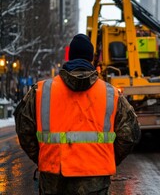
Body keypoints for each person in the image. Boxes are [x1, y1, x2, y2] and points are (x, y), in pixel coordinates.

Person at [14, 33, 141, 194]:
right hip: (95, 179)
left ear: (70, 57)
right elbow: (130, 134)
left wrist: (44, 158)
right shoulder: (111, 94)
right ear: (91, 59)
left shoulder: (42, 91)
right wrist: (107, 158)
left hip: (53, 178)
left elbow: (24, 129)